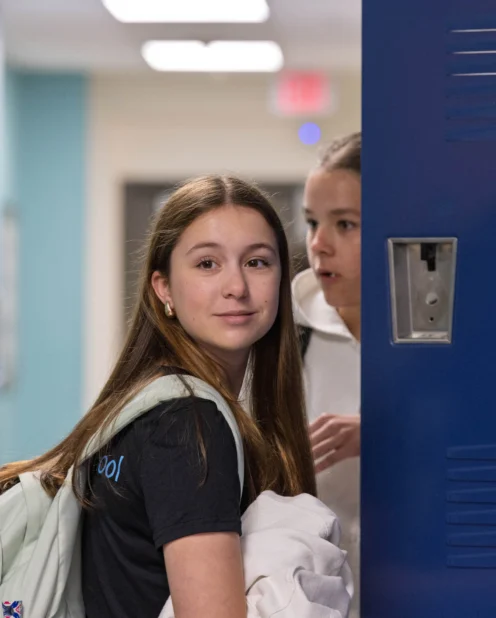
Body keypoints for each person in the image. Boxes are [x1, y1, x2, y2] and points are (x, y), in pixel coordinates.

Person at [0, 176, 317, 618]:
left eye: (257, 262)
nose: (236, 286)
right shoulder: (189, 425)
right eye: (207, 263)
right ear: (163, 288)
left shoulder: (144, 403)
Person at [292, 132, 362, 618]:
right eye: (314, 222)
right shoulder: (289, 335)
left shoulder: (454, 338)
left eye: (345, 224)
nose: (319, 243)